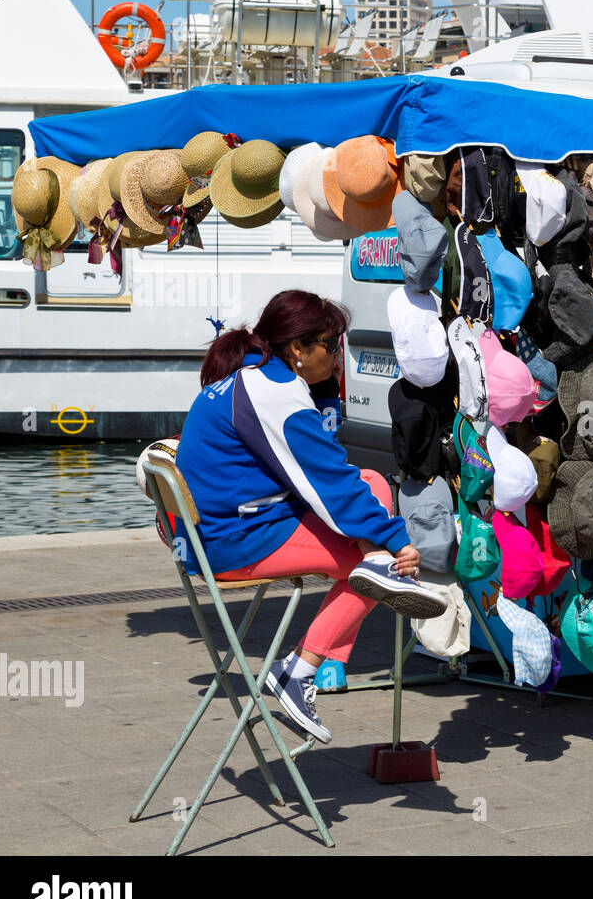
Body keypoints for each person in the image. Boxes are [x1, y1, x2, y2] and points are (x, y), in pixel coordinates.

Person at [176, 290, 446, 744]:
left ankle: (371, 585)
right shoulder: (276, 393)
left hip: (220, 526)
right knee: (374, 570)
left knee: (374, 485)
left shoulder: (257, 376)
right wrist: (396, 541)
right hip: (229, 542)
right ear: (297, 349)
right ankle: (298, 672)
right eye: (330, 345)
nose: (339, 355)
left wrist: (322, 389)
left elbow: (331, 464)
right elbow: (327, 481)